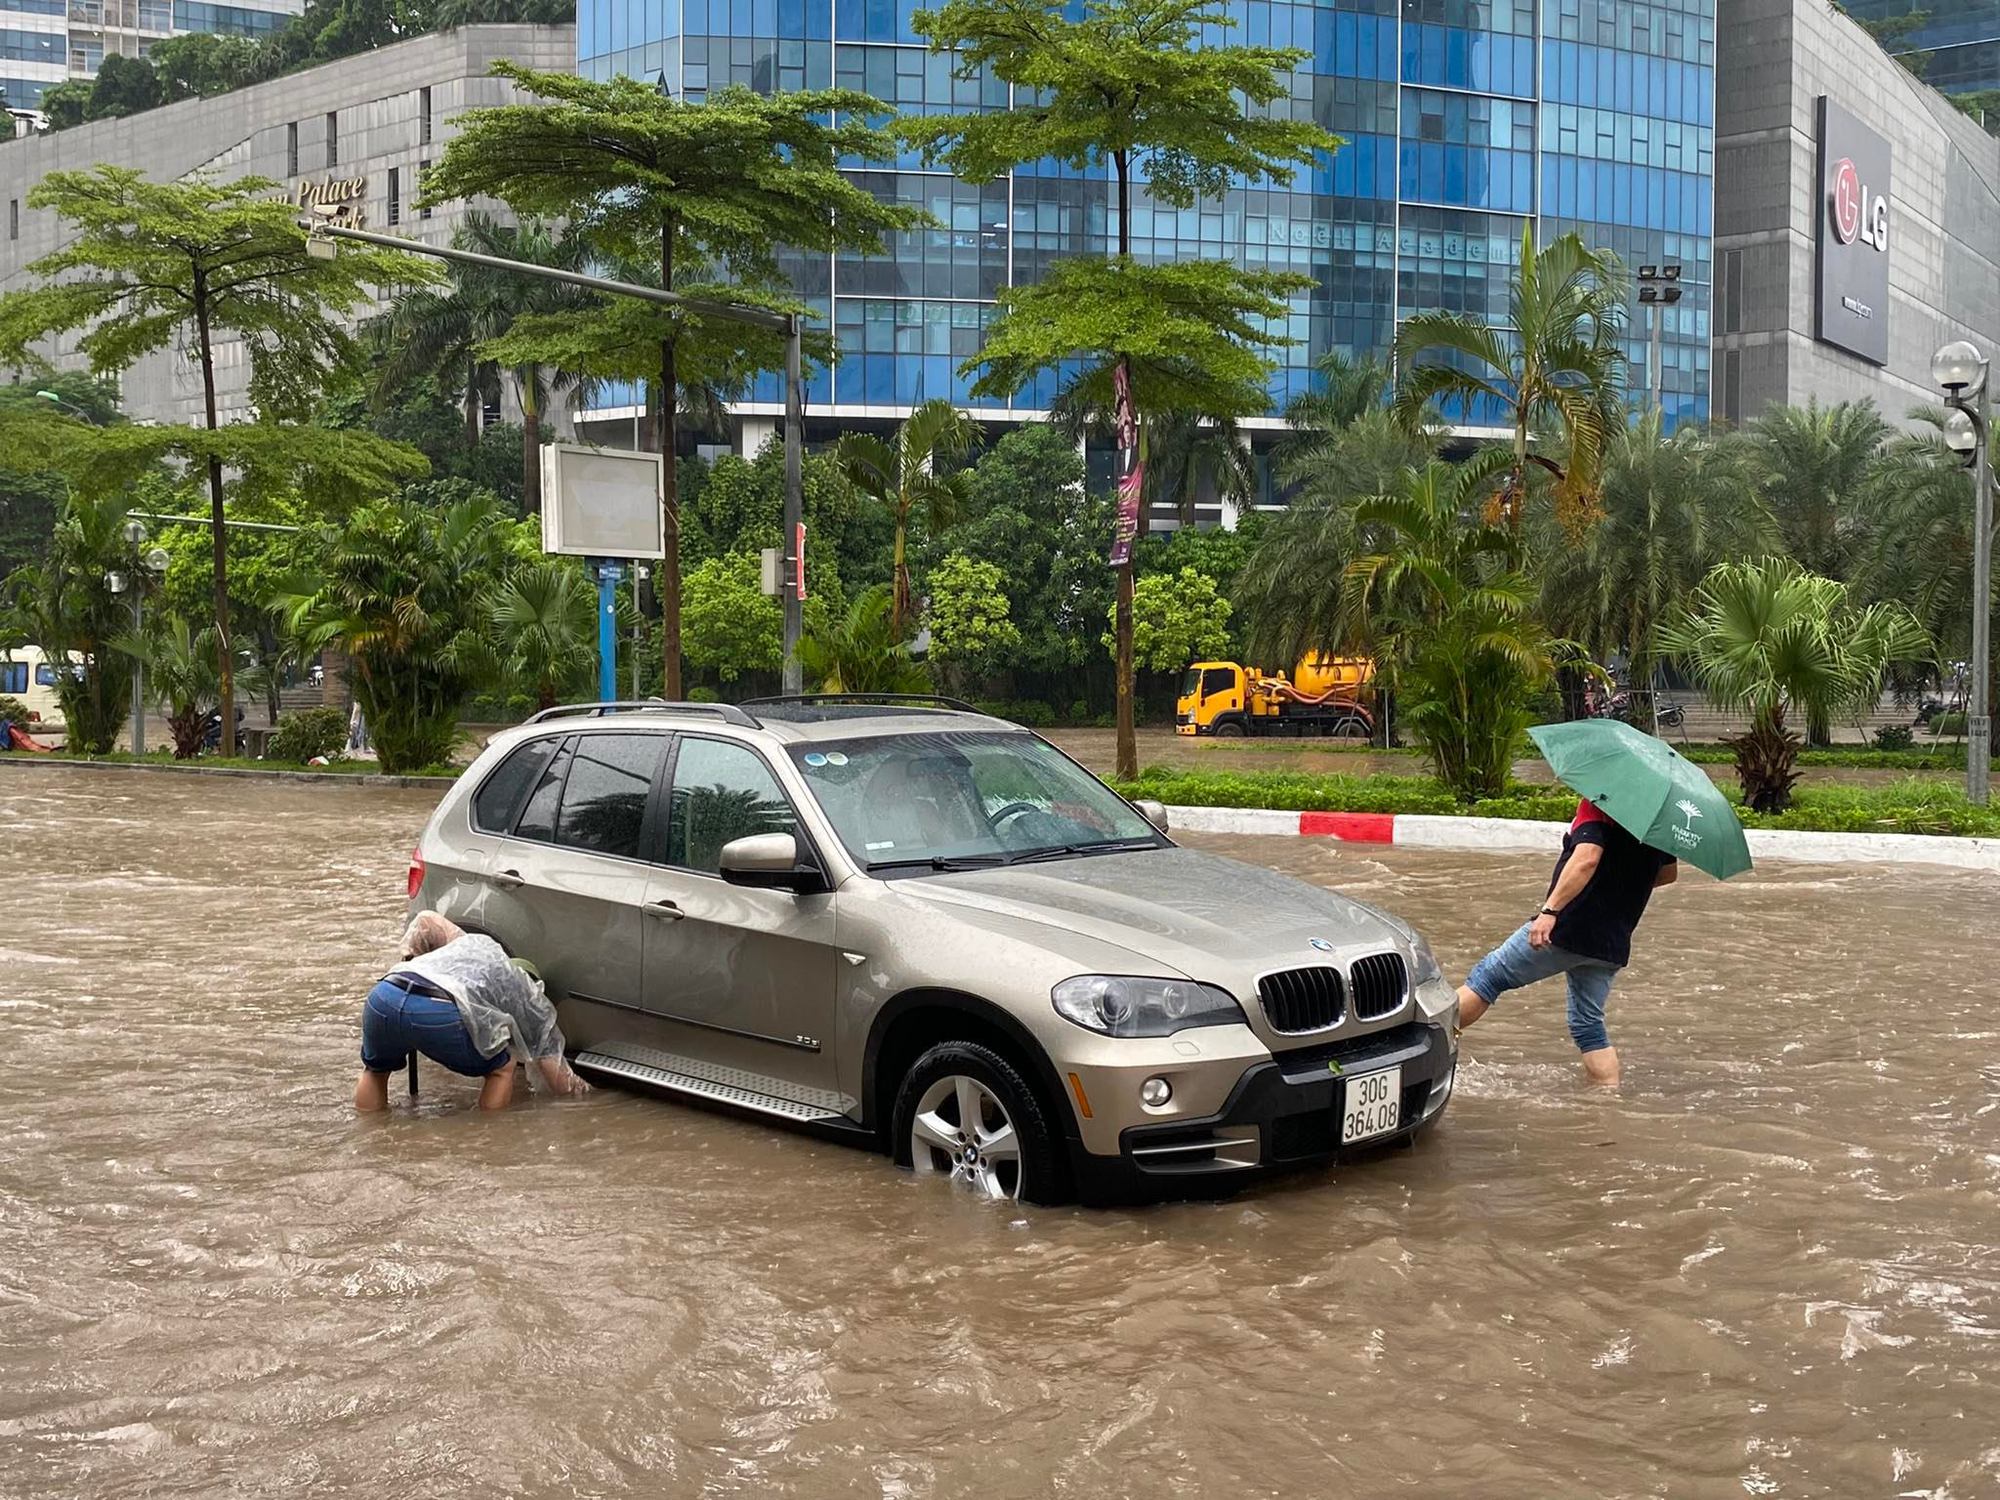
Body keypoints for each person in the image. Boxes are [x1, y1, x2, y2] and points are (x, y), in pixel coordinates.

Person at [1454, 798, 1677, 1086]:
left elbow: (1587, 858)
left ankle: (1420, 1042)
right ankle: (1607, 1100)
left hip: (1569, 927)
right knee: (1589, 1027)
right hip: (1612, 941)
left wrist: (1549, 911)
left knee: (1488, 979)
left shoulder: (1601, 805)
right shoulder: (1660, 821)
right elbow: (1668, 875)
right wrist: (1622, 877)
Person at [353, 911, 590, 1111]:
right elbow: (553, 1068)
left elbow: (426, 920)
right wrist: (582, 1098)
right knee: (502, 1068)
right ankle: (488, 1136)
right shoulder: (519, 988)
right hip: (435, 1008)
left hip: (384, 995)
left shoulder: (468, 948)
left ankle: (369, 1134)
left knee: (375, 1070)